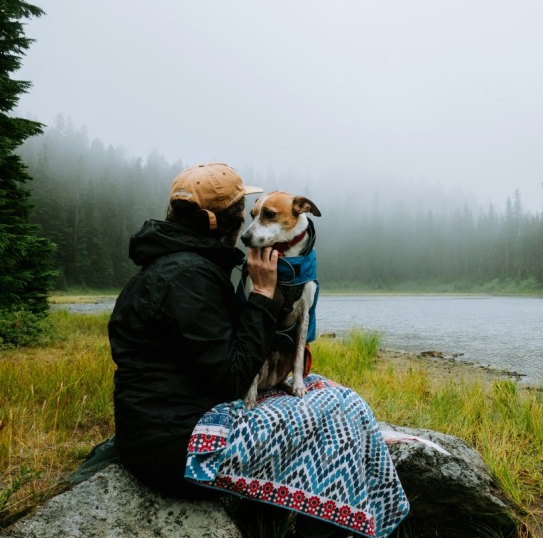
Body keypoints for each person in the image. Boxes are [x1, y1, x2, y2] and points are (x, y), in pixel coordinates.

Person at [108, 163, 408, 538]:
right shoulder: (188, 279)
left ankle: (282, 519)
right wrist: (264, 296)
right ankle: (329, 526)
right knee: (338, 415)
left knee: (332, 395)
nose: (247, 227)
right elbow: (235, 377)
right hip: (175, 448)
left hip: (159, 426)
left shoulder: (174, 265)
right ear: (219, 223)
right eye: (241, 214)